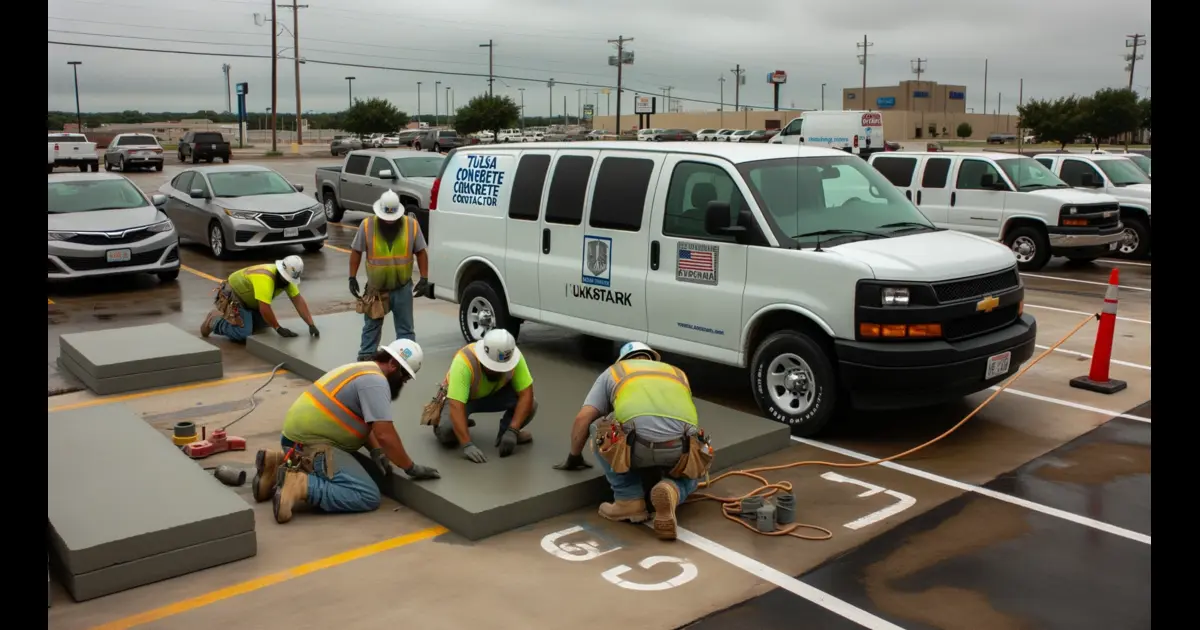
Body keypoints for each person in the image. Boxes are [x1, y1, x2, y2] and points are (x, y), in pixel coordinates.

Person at [254, 339, 442, 524]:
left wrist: (375, 451)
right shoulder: (376, 382)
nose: (404, 382)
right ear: (393, 364)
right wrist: (410, 467)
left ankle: (276, 464)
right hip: (312, 444)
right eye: (405, 376)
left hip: (296, 438)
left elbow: (362, 420)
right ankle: (299, 485)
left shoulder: (364, 370)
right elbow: (385, 434)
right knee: (366, 495)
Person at [553, 342, 702, 541]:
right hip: (679, 448)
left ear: (623, 360)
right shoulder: (677, 373)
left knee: (599, 427)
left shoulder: (615, 372)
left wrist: (574, 455)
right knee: (697, 462)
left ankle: (628, 498)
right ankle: (673, 489)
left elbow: (583, 418)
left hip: (637, 447)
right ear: (651, 358)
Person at [348, 190, 431, 361]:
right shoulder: (367, 225)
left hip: (402, 287)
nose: (389, 221)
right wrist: (352, 277)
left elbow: (421, 252)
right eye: (386, 217)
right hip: (376, 289)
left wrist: (424, 278)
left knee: (406, 329)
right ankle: (366, 358)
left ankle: (407, 360)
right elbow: (356, 252)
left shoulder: (411, 225)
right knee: (372, 326)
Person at [433, 328, 537, 463]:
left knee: (532, 404)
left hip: (494, 394)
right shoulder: (464, 362)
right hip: (464, 400)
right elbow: (456, 405)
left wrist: (513, 430)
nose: (498, 371)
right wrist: (467, 444)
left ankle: (505, 433)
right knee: (447, 433)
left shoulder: (513, 356)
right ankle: (454, 425)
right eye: (493, 367)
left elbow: (526, 394)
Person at [202, 255, 319, 342]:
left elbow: (298, 300)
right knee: (244, 334)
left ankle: (246, 319)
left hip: (252, 301)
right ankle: (215, 321)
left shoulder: (288, 280)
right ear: (280, 272)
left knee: (263, 328)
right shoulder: (265, 278)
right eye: (285, 278)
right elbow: (264, 308)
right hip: (235, 297)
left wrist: (311, 324)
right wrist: (278, 328)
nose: (287, 282)